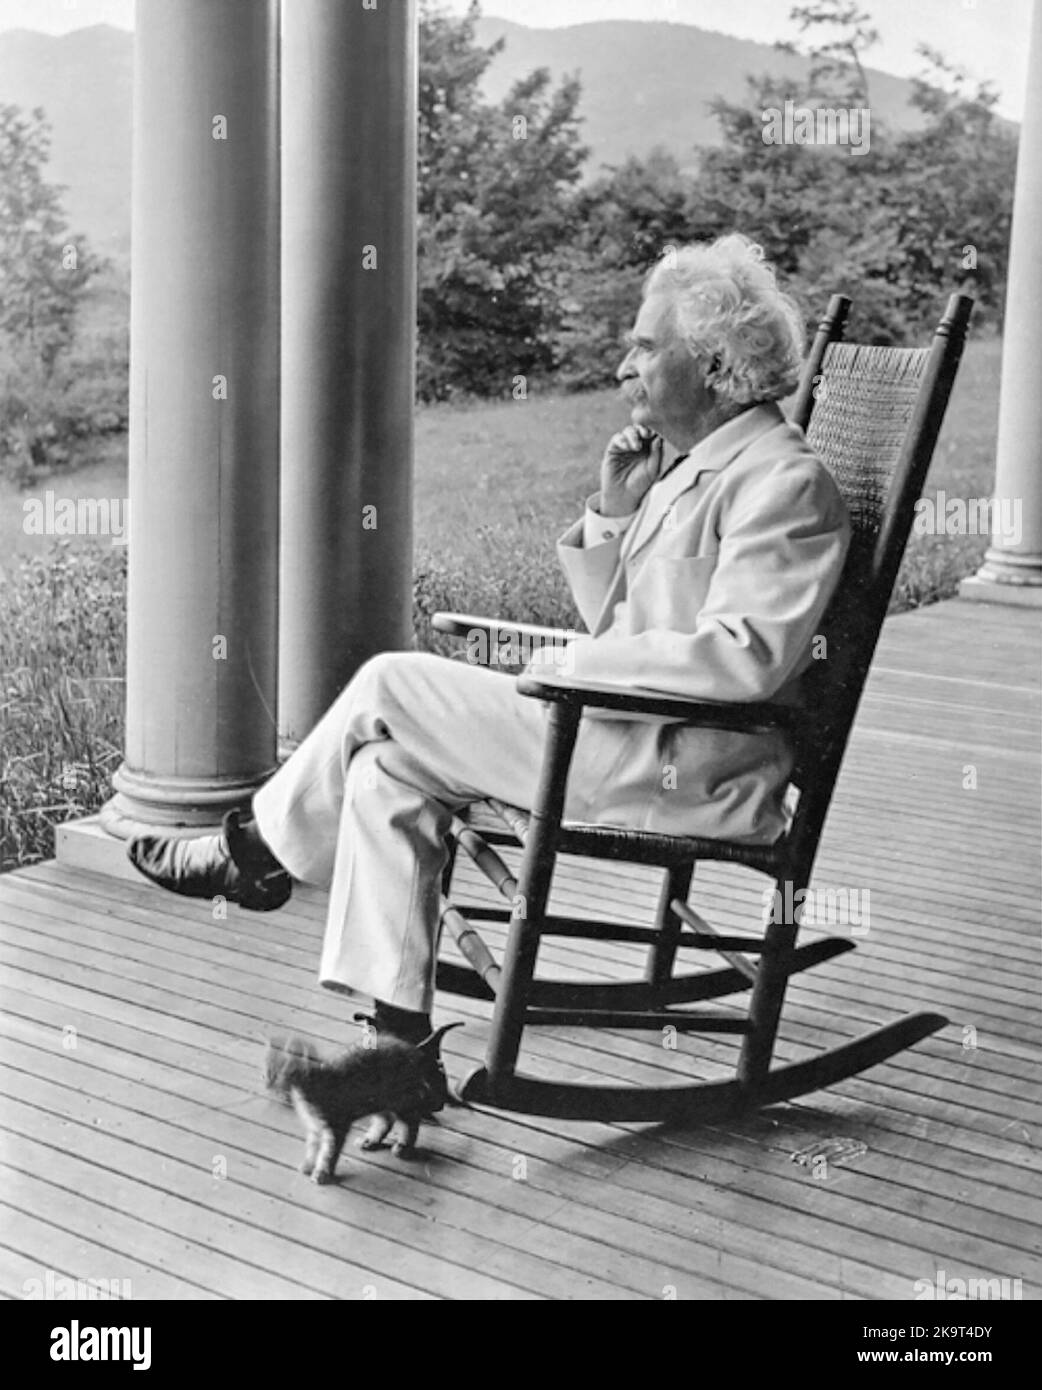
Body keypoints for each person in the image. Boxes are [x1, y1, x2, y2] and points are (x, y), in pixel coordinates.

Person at [128, 232, 851, 1044]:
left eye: (647, 348)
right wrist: (617, 513)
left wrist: (571, 665)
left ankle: (254, 852)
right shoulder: (692, 467)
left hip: (690, 772)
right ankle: (396, 1045)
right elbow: (631, 626)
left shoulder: (785, 483)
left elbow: (743, 658)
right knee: (383, 771)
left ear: (715, 366)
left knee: (391, 686)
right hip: (626, 738)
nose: (623, 367)